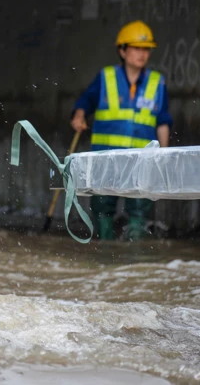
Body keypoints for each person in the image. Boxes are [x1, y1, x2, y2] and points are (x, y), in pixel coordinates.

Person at [70, 20, 172, 241]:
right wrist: (79, 116)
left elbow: (162, 120)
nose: (142, 54)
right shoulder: (106, 77)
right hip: (106, 159)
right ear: (122, 50)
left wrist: (164, 155)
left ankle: (131, 264)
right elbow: (85, 101)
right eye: (136, 48)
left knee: (138, 213)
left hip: (142, 162)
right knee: (102, 209)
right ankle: (106, 256)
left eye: (146, 49)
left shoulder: (157, 82)